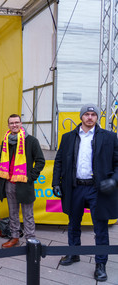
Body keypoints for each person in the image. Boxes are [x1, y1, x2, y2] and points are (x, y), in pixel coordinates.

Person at [52, 104, 118, 282]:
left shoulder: (110, 137)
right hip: (75, 187)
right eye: (86, 114)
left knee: (100, 227)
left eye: (93, 114)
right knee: (73, 223)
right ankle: (74, 253)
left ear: (97, 117)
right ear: (81, 117)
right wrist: (55, 182)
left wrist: (114, 180)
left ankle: (101, 263)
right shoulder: (67, 137)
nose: (90, 117)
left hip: (98, 189)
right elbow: (58, 161)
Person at [0, 114, 45, 249]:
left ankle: (30, 239)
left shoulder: (31, 141)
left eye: (16, 122)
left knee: (28, 214)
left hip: (24, 183)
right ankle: (15, 238)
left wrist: (30, 177)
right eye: (11, 123)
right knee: (12, 213)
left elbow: (40, 161)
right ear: (8, 125)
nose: (14, 125)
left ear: (21, 123)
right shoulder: (6, 141)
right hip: (9, 183)